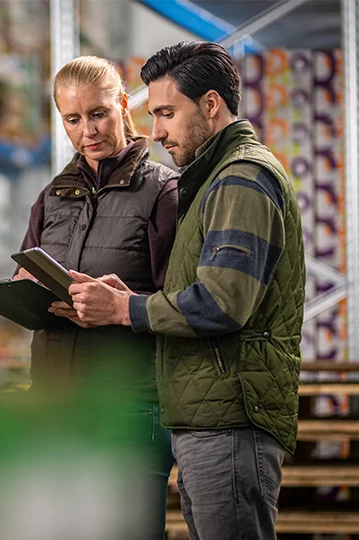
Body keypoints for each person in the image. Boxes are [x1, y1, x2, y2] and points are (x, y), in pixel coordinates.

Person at [51, 42, 305, 540]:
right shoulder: (210, 179)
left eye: (167, 113)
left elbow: (222, 303)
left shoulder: (241, 179)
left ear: (211, 105)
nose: (158, 131)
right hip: (206, 414)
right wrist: (132, 296)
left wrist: (128, 309)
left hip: (229, 415)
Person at [14, 55, 178, 539]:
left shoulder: (163, 191)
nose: (88, 130)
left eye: (99, 113)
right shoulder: (51, 196)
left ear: (123, 106)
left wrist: (120, 309)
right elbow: (27, 269)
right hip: (53, 398)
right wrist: (26, 296)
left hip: (128, 402)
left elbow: (181, 301)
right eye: (72, 119)